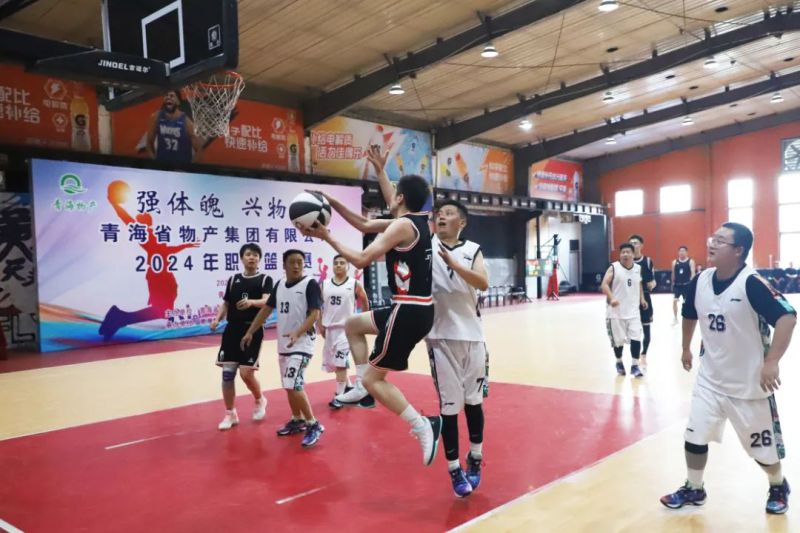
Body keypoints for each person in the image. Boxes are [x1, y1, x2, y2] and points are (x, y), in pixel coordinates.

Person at [300, 146, 441, 467]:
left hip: (408, 311)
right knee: (353, 325)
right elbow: (365, 224)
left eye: (395, 193)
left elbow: (363, 258)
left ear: (401, 198)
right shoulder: (414, 220)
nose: (391, 196)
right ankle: (364, 387)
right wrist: (333, 200)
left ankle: (423, 425)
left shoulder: (401, 226)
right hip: (413, 309)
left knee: (375, 381)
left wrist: (328, 238)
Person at [661, 223, 796, 514]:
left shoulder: (751, 283)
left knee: (762, 453)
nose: (712, 243)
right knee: (694, 436)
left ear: (738, 251)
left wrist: (772, 362)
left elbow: (787, 316)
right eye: (713, 238)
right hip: (710, 379)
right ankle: (694, 487)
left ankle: (778, 484)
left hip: (749, 385)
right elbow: (689, 313)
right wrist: (685, 347)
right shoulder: (700, 280)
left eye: (721, 241)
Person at [427, 199, 489, 498]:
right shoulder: (427, 247)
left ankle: (475, 456)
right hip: (440, 338)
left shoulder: (473, 249)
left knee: (474, 402)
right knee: (449, 408)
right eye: (439, 214)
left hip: (473, 337)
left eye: (449, 214)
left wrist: (455, 265)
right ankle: (454, 469)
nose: (442, 217)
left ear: (461, 222)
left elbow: (483, 282)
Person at [240, 249, 324, 448]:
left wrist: (298, 332)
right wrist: (250, 332)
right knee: (288, 384)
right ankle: (297, 419)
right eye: (292, 262)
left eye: (300, 262)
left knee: (294, 383)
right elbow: (266, 310)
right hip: (284, 344)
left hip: (302, 343)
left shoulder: (310, 284)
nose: (296, 266)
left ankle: (313, 424)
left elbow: (315, 314)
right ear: (284, 265)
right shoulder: (279, 285)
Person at [99, 181, 199, 340]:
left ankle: (119, 318)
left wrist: (185, 245)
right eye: (144, 217)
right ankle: (118, 318)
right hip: (159, 277)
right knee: (162, 311)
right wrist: (114, 204)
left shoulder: (153, 236)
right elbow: (126, 218)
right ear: (142, 222)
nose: (147, 217)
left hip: (164, 277)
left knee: (163, 311)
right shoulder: (144, 235)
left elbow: (167, 250)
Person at [210, 244, 273, 430]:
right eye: (248, 254)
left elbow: (267, 301)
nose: (252, 257)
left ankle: (260, 399)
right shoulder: (233, 280)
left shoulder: (265, 279)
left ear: (259, 259)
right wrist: (217, 319)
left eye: (255, 255)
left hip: (252, 330)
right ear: (242, 258)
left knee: (246, 373)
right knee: (227, 374)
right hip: (232, 331)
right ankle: (230, 413)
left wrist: (251, 302)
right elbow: (226, 303)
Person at [319, 254, 370, 409]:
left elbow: (364, 300)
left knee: (340, 363)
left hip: (347, 329)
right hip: (330, 329)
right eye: (336, 263)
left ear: (348, 266)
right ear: (333, 266)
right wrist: (319, 323)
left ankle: (339, 396)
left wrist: (363, 320)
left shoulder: (354, 283)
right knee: (334, 363)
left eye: (342, 263)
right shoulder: (325, 284)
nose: (339, 265)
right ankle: (347, 385)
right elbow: (318, 305)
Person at [601, 243, 647, 378]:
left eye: (628, 252)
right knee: (618, 341)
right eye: (623, 252)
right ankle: (619, 361)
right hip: (616, 313)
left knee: (636, 338)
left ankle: (635, 365)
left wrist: (642, 299)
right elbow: (604, 284)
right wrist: (611, 298)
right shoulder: (614, 267)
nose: (625, 254)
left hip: (633, 312)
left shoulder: (638, 268)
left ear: (633, 254)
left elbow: (639, 284)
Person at [145, 90, 203, 163]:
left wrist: (189, 167)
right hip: (162, 165)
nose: (168, 97)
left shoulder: (186, 122)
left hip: (180, 166)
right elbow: (149, 143)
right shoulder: (156, 117)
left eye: (172, 96)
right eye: (166, 95)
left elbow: (199, 149)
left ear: (178, 102)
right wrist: (154, 161)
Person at [630, 234, 655, 367]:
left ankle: (644, 354)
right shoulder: (626, 262)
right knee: (633, 330)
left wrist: (652, 284)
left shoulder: (648, 261)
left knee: (646, 329)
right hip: (630, 300)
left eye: (635, 242)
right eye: (631, 243)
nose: (633, 245)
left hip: (645, 298)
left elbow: (653, 281)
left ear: (641, 245)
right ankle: (633, 357)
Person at [672, 245, 697, 325]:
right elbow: (673, 274)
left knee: (686, 303)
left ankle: (686, 317)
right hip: (677, 285)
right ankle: (675, 318)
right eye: (680, 251)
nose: (681, 253)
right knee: (674, 301)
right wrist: (672, 283)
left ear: (686, 252)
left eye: (683, 251)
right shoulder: (675, 262)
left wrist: (692, 284)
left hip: (687, 286)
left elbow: (693, 273)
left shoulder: (690, 261)